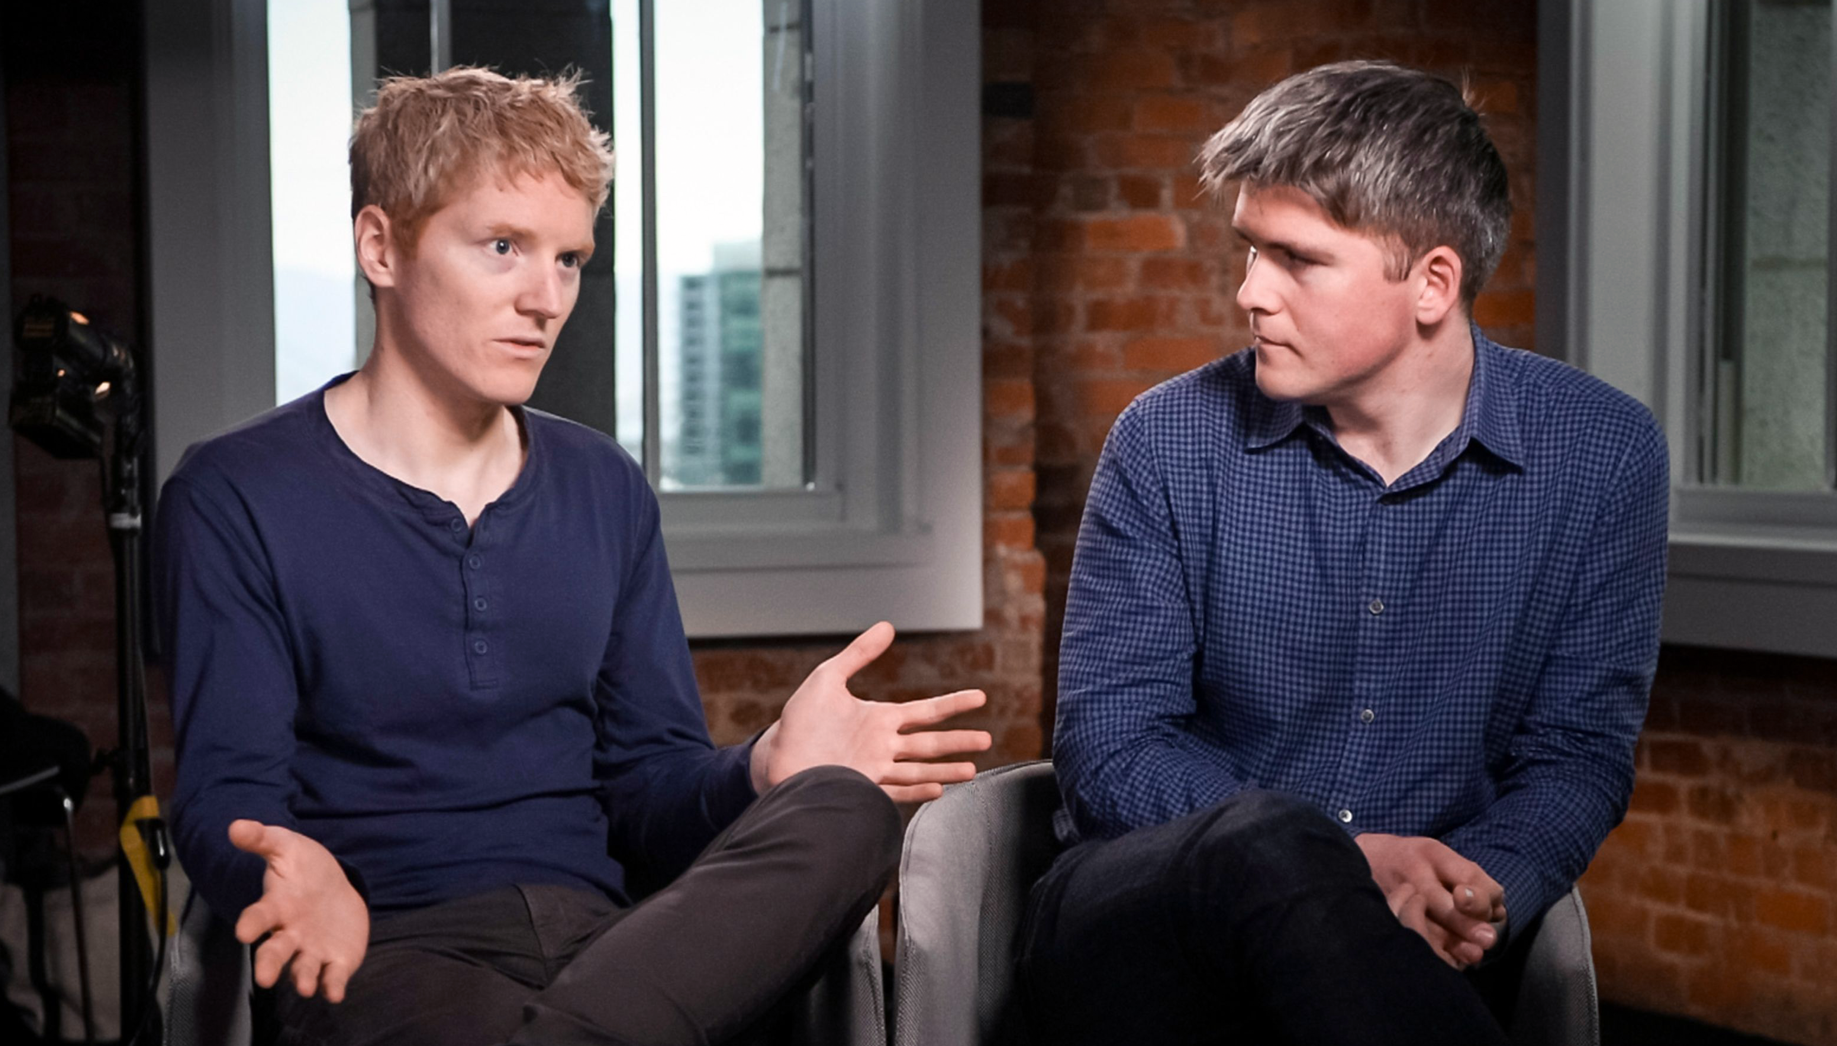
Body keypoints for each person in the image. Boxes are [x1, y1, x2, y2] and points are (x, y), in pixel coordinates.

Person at [156, 67, 991, 1046]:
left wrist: (762, 767)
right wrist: (288, 870)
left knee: (844, 811)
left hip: (619, 940)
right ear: (381, 245)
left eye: (568, 258)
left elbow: (649, 793)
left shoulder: (603, 484)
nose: (544, 297)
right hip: (386, 947)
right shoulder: (234, 493)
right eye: (502, 247)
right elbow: (228, 796)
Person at [1015, 60, 1668, 1045]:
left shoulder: (1602, 454)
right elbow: (1111, 740)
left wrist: (1468, 890)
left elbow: (1578, 753)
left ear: (1432, 284)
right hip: (1142, 920)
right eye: (1248, 250)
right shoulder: (1167, 441)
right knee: (1269, 841)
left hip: (1399, 947)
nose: (1249, 293)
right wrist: (1350, 860)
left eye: (1297, 259)